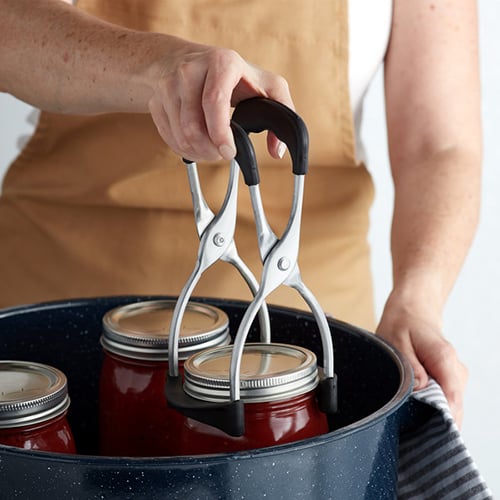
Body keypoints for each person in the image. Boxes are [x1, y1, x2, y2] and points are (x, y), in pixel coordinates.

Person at [0, 0, 481, 428]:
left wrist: (418, 297)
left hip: (308, 341)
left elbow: (440, 144)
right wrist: (154, 66)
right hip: (54, 336)